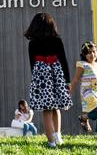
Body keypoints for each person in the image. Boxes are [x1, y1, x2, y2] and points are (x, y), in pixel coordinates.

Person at [24, 13, 71, 147]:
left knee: (47, 109)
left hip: (41, 78)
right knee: (56, 107)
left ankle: (51, 141)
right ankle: (57, 137)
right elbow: (63, 61)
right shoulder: (57, 41)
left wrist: (36, 83)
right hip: (56, 76)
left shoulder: (32, 43)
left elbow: (32, 64)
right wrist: (67, 81)